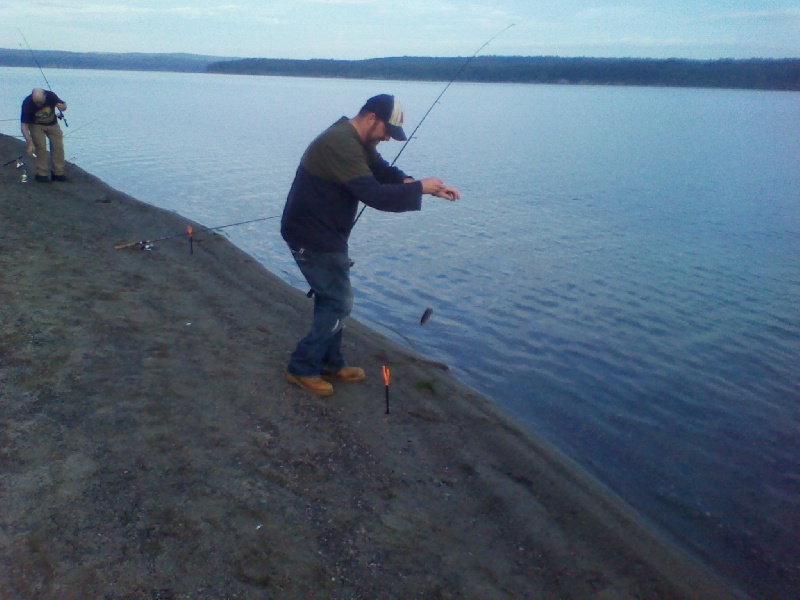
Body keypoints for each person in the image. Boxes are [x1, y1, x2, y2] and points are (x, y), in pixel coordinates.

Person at [281, 93, 460, 397]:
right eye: (386, 131)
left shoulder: (359, 141)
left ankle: (330, 363)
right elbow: (375, 195)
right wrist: (420, 188)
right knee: (339, 302)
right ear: (371, 118)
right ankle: (301, 368)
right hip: (311, 235)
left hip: (327, 233)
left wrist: (428, 188)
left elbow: (384, 173)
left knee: (332, 298)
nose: (388, 138)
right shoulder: (340, 143)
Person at [20, 87, 68, 182]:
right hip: (36, 125)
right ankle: (41, 174)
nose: (38, 104)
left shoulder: (51, 96)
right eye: (36, 102)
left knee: (58, 147)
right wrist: (29, 143)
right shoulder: (27, 103)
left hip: (52, 124)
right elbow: (24, 126)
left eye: (40, 102)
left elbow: (64, 105)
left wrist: (63, 107)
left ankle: (58, 173)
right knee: (40, 146)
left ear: (45, 96)